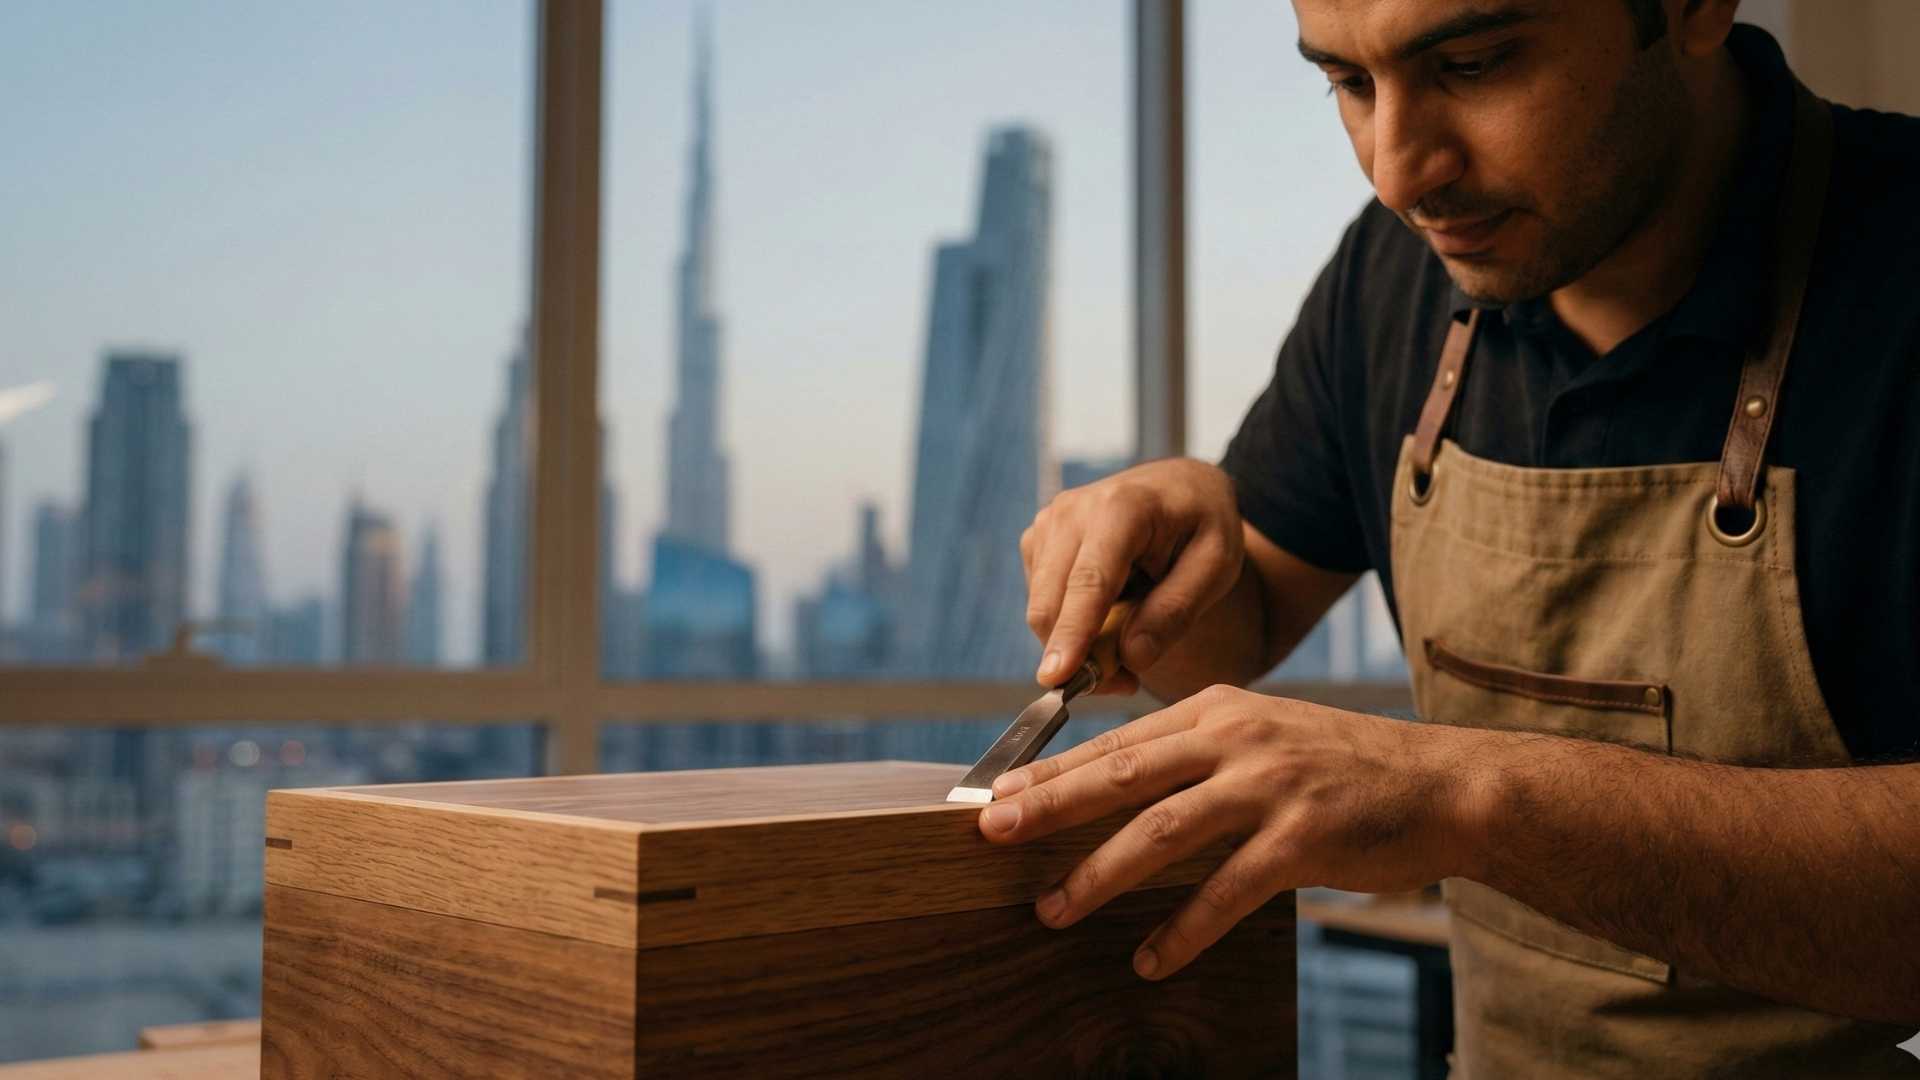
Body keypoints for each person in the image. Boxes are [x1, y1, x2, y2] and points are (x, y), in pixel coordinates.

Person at [980, 1, 1920, 1075]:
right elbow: (1229, 637)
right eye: (1348, 83)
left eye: (1473, 64)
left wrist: (1469, 796)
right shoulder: (1398, 273)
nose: (1397, 172)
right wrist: (1184, 549)